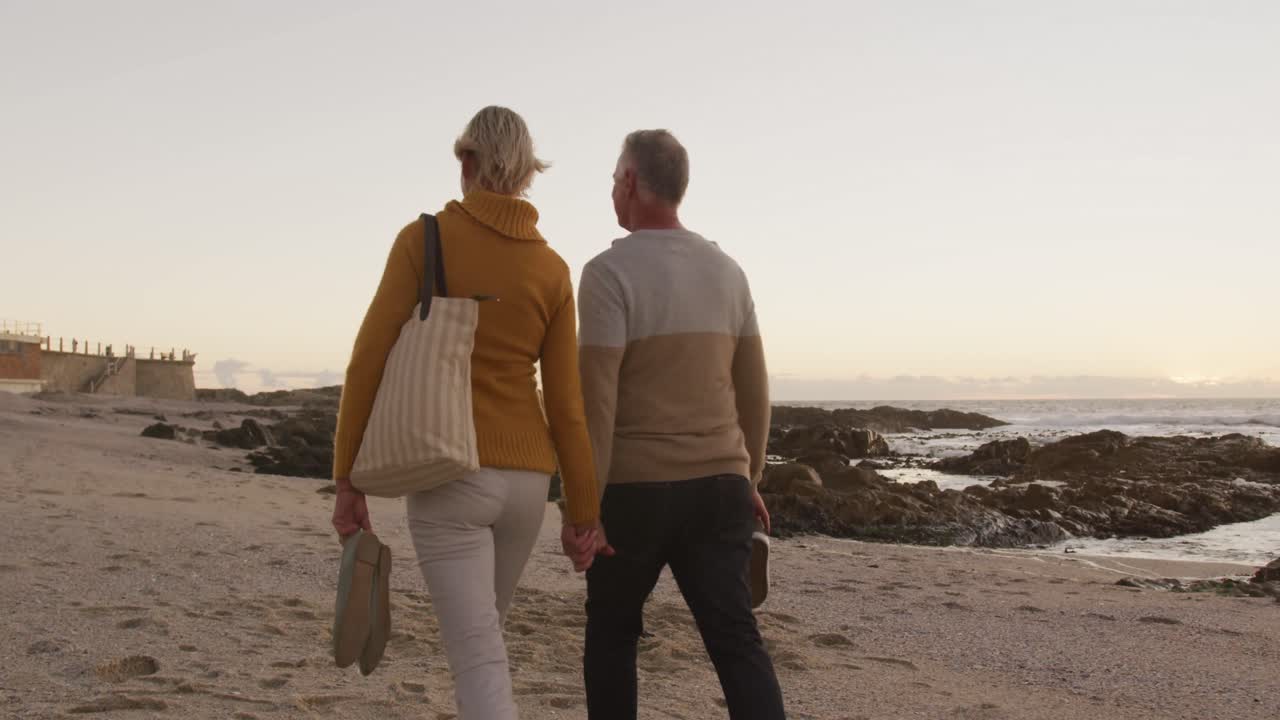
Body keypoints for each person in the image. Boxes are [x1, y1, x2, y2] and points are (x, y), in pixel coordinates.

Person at [330, 106, 605, 720]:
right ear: (528, 172)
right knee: (485, 642)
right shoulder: (553, 270)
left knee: (478, 654)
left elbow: (366, 361)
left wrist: (347, 477)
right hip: (527, 488)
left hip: (449, 472)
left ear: (467, 161)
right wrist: (582, 514)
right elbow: (566, 407)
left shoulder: (423, 239)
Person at [576, 129, 786, 719]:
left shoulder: (606, 274)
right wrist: (749, 475)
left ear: (631, 183)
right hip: (719, 487)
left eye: (615, 177)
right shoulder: (727, 271)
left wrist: (584, 507)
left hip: (635, 491)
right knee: (736, 639)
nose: (613, 189)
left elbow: (597, 399)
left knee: (613, 635)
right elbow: (755, 391)